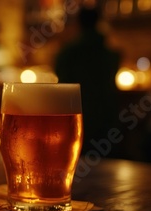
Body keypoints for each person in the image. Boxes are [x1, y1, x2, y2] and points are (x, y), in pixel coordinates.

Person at [54, 7, 121, 157]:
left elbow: (61, 80)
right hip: (106, 111)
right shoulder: (110, 52)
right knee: (105, 156)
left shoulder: (69, 52)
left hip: (76, 110)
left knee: (78, 154)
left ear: (79, 23)